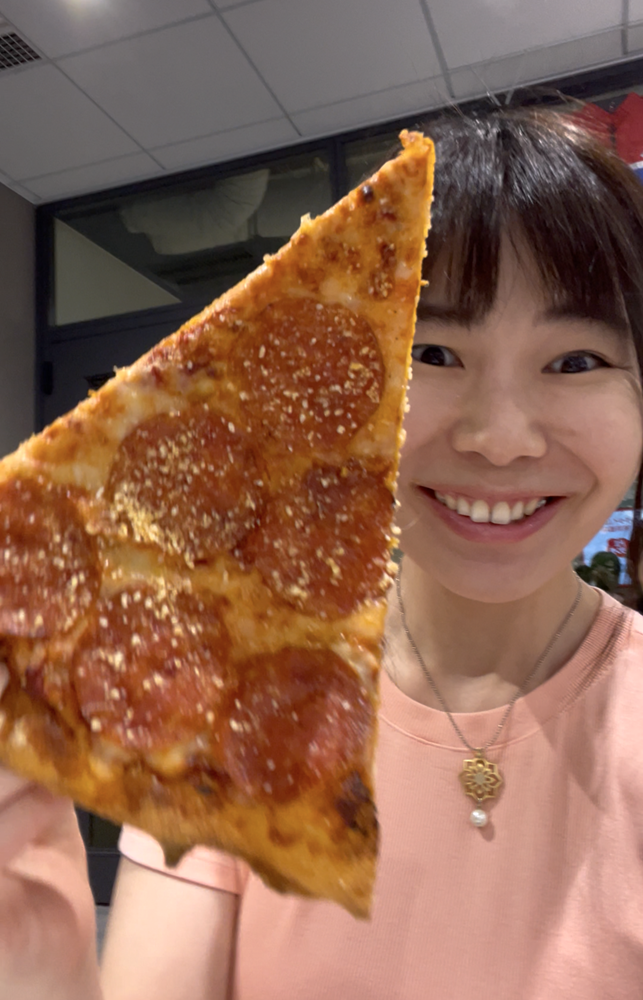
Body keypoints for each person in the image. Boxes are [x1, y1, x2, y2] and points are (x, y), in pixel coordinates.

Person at [2, 106, 643, 999]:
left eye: (575, 361)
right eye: (431, 350)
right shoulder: (231, 708)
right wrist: (43, 964)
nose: (500, 439)